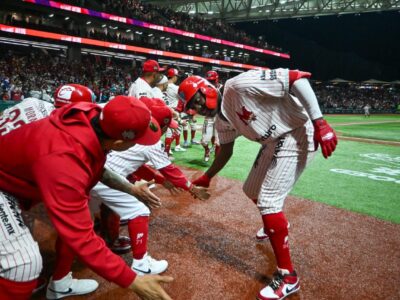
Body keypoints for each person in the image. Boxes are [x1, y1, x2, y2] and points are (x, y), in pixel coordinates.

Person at [178, 69, 337, 300]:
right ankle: (277, 224)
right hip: (275, 140)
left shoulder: (237, 85)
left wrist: (320, 122)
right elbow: (226, 150)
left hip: (297, 131)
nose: (197, 108)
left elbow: (296, 79)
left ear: (206, 89)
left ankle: (288, 277)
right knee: (250, 189)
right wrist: (208, 176)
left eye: (196, 100)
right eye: (192, 107)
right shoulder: (221, 119)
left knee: (269, 203)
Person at [0, 95, 173, 300]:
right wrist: (132, 280)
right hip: (7, 187)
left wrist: (131, 189)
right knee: (24, 264)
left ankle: (60, 283)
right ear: (118, 143)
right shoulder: (64, 159)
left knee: (84, 220)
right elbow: (80, 236)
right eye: (136, 141)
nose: (139, 144)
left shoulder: (92, 116)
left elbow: (95, 168)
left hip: (23, 176)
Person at [91, 97, 209, 276]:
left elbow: (137, 164)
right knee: (139, 210)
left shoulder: (130, 128)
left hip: (92, 171)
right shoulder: (152, 141)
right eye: (166, 127)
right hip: (106, 177)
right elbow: (170, 170)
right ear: (159, 126)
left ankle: (64, 276)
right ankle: (140, 263)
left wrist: (161, 181)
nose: (165, 131)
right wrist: (192, 188)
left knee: (89, 219)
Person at [201, 70, 222, 162]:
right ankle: (207, 150)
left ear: (217, 79)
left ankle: (216, 161)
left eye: (213, 80)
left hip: (219, 117)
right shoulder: (203, 89)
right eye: (209, 80)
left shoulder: (222, 88)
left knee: (218, 141)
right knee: (204, 141)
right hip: (209, 117)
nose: (211, 82)